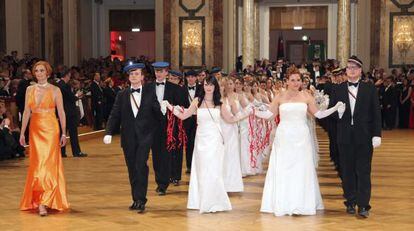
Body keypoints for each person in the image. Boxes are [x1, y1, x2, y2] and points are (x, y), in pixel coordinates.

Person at [253, 67, 345, 216]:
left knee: (301, 167)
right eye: (293, 80)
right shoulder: (279, 96)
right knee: (284, 167)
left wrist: (335, 108)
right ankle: (282, 202)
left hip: (301, 136)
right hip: (284, 137)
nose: (296, 83)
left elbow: (319, 115)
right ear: (287, 81)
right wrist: (254, 112)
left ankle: (302, 202)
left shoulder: (306, 96)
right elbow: (270, 115)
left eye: (298, 80)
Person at [165, 75, 251, 213]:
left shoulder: (219, 103)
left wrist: (246, 113)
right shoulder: (197, 101)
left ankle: (214, 200)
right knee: (202, 169)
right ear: (203, 86)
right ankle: (201, 200)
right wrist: (170, 107)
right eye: (206, 84)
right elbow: (184, 115)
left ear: (215, 86)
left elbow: (230, 119)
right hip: (201, 142)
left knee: (214, 170)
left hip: (215, 141)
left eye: (211, 84)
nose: (208, 87)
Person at [103, 63, 165, 213]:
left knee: (140, 165)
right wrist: (108, 132)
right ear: (128, 77)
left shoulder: (150, 93)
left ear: (142, 77)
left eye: (137, 74)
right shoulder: (122, 94)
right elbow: (115, 114)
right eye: (131, 74)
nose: (134, 76)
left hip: (145, 137)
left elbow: (156, 112)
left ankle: (141, 199)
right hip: (128, 137)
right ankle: (135, 199)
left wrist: (161, 111)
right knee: (132, 168)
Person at [329, 56, 382, 218]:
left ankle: (364, 205)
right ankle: (351, 201)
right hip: (344, 136)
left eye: (355, 68)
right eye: (349, 68)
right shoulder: (337, 89)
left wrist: (376, 134)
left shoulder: (370, 88)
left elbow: (376, 113)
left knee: (364, 171)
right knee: (347, 171)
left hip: (364, 137)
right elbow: (331, 114)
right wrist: (337, 114)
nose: (351, 70)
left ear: (360, 70)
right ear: (346, 71)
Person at [19, 61, 69, 216]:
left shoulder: (55, 90)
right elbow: (27, 112)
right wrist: (22, 133)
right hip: (35, 130)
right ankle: (40, 199)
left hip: (51, 129)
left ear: (48, 73)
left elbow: (61, 112)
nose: (39, 73)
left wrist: (63, 133)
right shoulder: (29, 89)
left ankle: (44, 201)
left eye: (42, 70)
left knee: (47, 164)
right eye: (36, 70)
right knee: (37, 163)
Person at [149, 61, 183, 196]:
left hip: (169, 127)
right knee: (156, 156)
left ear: (166, 73)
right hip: (153, 128)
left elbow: (181, 106)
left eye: (161, 71)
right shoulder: (148, 88)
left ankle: (164, 184)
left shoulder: (175, 89)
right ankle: (159, 181)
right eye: (157, 71)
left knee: (167, 155)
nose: (158, 74)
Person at [56, 69, 88, 158]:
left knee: (62, 133)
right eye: (69, 75)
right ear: (67, 75)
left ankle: (62, 153)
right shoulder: (64, 86)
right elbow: (71, 98)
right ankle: (76, 152)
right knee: (73, 133)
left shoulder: (59, 85)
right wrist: (77, 95)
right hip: (69, 113)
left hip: (63, 112)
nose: (70, 77)